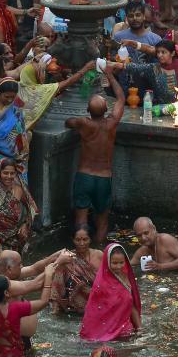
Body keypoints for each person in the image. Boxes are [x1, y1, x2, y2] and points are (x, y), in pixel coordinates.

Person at [65, 68, 124, 244]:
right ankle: (99, 253)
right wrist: (110, 75)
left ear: (87, 110)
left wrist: (80, 121)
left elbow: (68, 122)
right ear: (106, 108)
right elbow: (121, 98)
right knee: (102, 220)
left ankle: (81, 251)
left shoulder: (84, 123)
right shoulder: (112, 123)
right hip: (103, 178)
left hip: (84, 176)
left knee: (81, 219)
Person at [0, 159, 39, 254]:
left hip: (14, 238)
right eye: (5, 173)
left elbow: (33, 208)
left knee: (12, 264)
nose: (9, 176)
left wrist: (25, 224)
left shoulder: (19, 190)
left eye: (12, 173)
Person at [79, 243, 140, 341]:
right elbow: (94, 312)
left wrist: (140, 329)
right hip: (105, 332)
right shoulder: (101, 284)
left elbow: (131, 305)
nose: (118, 266)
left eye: (121, 262)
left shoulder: (127, 278)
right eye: (114, 263)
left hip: (126, 329)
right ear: (107, 262)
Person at [50, 224, 103, 315]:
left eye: (85, 239)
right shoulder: (67, 257)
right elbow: (50, 271)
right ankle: (56, 308)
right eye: (78, 240)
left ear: (90, 239)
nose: (81, 243)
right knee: (61, 267)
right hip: (75, 302)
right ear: (73, 240)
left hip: (97, 299)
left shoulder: (99, 255)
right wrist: (59, 262)